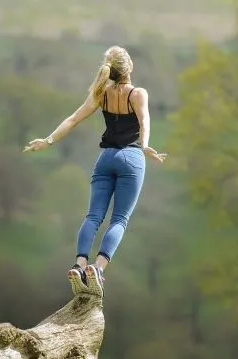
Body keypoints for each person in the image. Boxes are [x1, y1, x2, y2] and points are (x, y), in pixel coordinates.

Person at [23, 45, 167, 291]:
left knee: (93, 216)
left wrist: (47, 141)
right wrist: (144, 147)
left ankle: (79, 265)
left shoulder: (102, 94)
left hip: (106, 159)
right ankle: (97, 269)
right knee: (119, 219)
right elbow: (145, 121)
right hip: (131, 158)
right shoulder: (138, 93)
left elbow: (73, 119)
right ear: (129, 67)